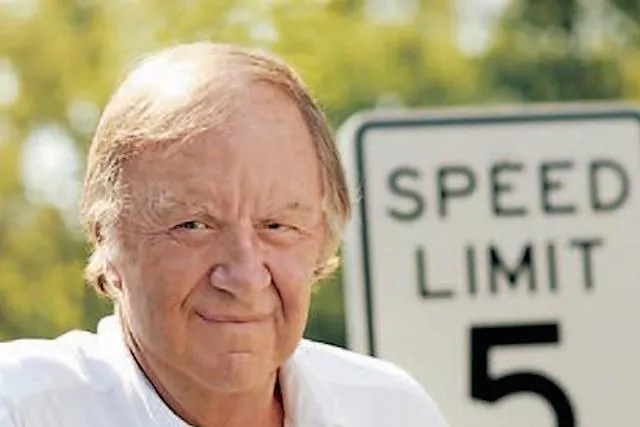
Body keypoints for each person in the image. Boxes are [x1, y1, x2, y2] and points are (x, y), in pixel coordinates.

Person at [0, 42, 448, 427]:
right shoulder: (20, 408)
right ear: (107, 239)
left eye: (276, 226)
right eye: (193, 226)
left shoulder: (391, 411)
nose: (244, 276)